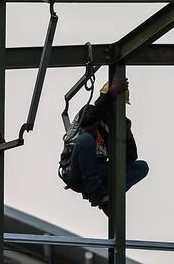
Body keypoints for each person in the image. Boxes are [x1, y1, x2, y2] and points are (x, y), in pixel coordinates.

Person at [58, 77, 149, 214]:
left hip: (96, 172)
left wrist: (127, 135)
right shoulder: (89, 111)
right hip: (75, 169)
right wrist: (112, 93)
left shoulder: (115, 128)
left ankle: (107, 195)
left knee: (141, 167)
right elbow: (92, 117)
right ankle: (97, 192)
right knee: (86, 140)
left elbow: (130, 159)